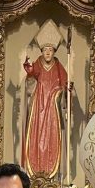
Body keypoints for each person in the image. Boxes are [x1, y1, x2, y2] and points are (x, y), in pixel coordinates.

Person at [22, 31, 68, 178]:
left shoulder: (58, 65)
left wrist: (66, 91)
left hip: (52, 106)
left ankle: (50, 171)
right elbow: (31, 76)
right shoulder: (38, 63)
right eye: (45, 50)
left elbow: (65, 83)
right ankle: (35, 170)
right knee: (36, 133)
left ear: (54, 52)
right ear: (41, 51)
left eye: (50, 50)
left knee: (51, 135)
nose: (47, 53)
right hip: (38, 105)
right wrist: (29, 71)